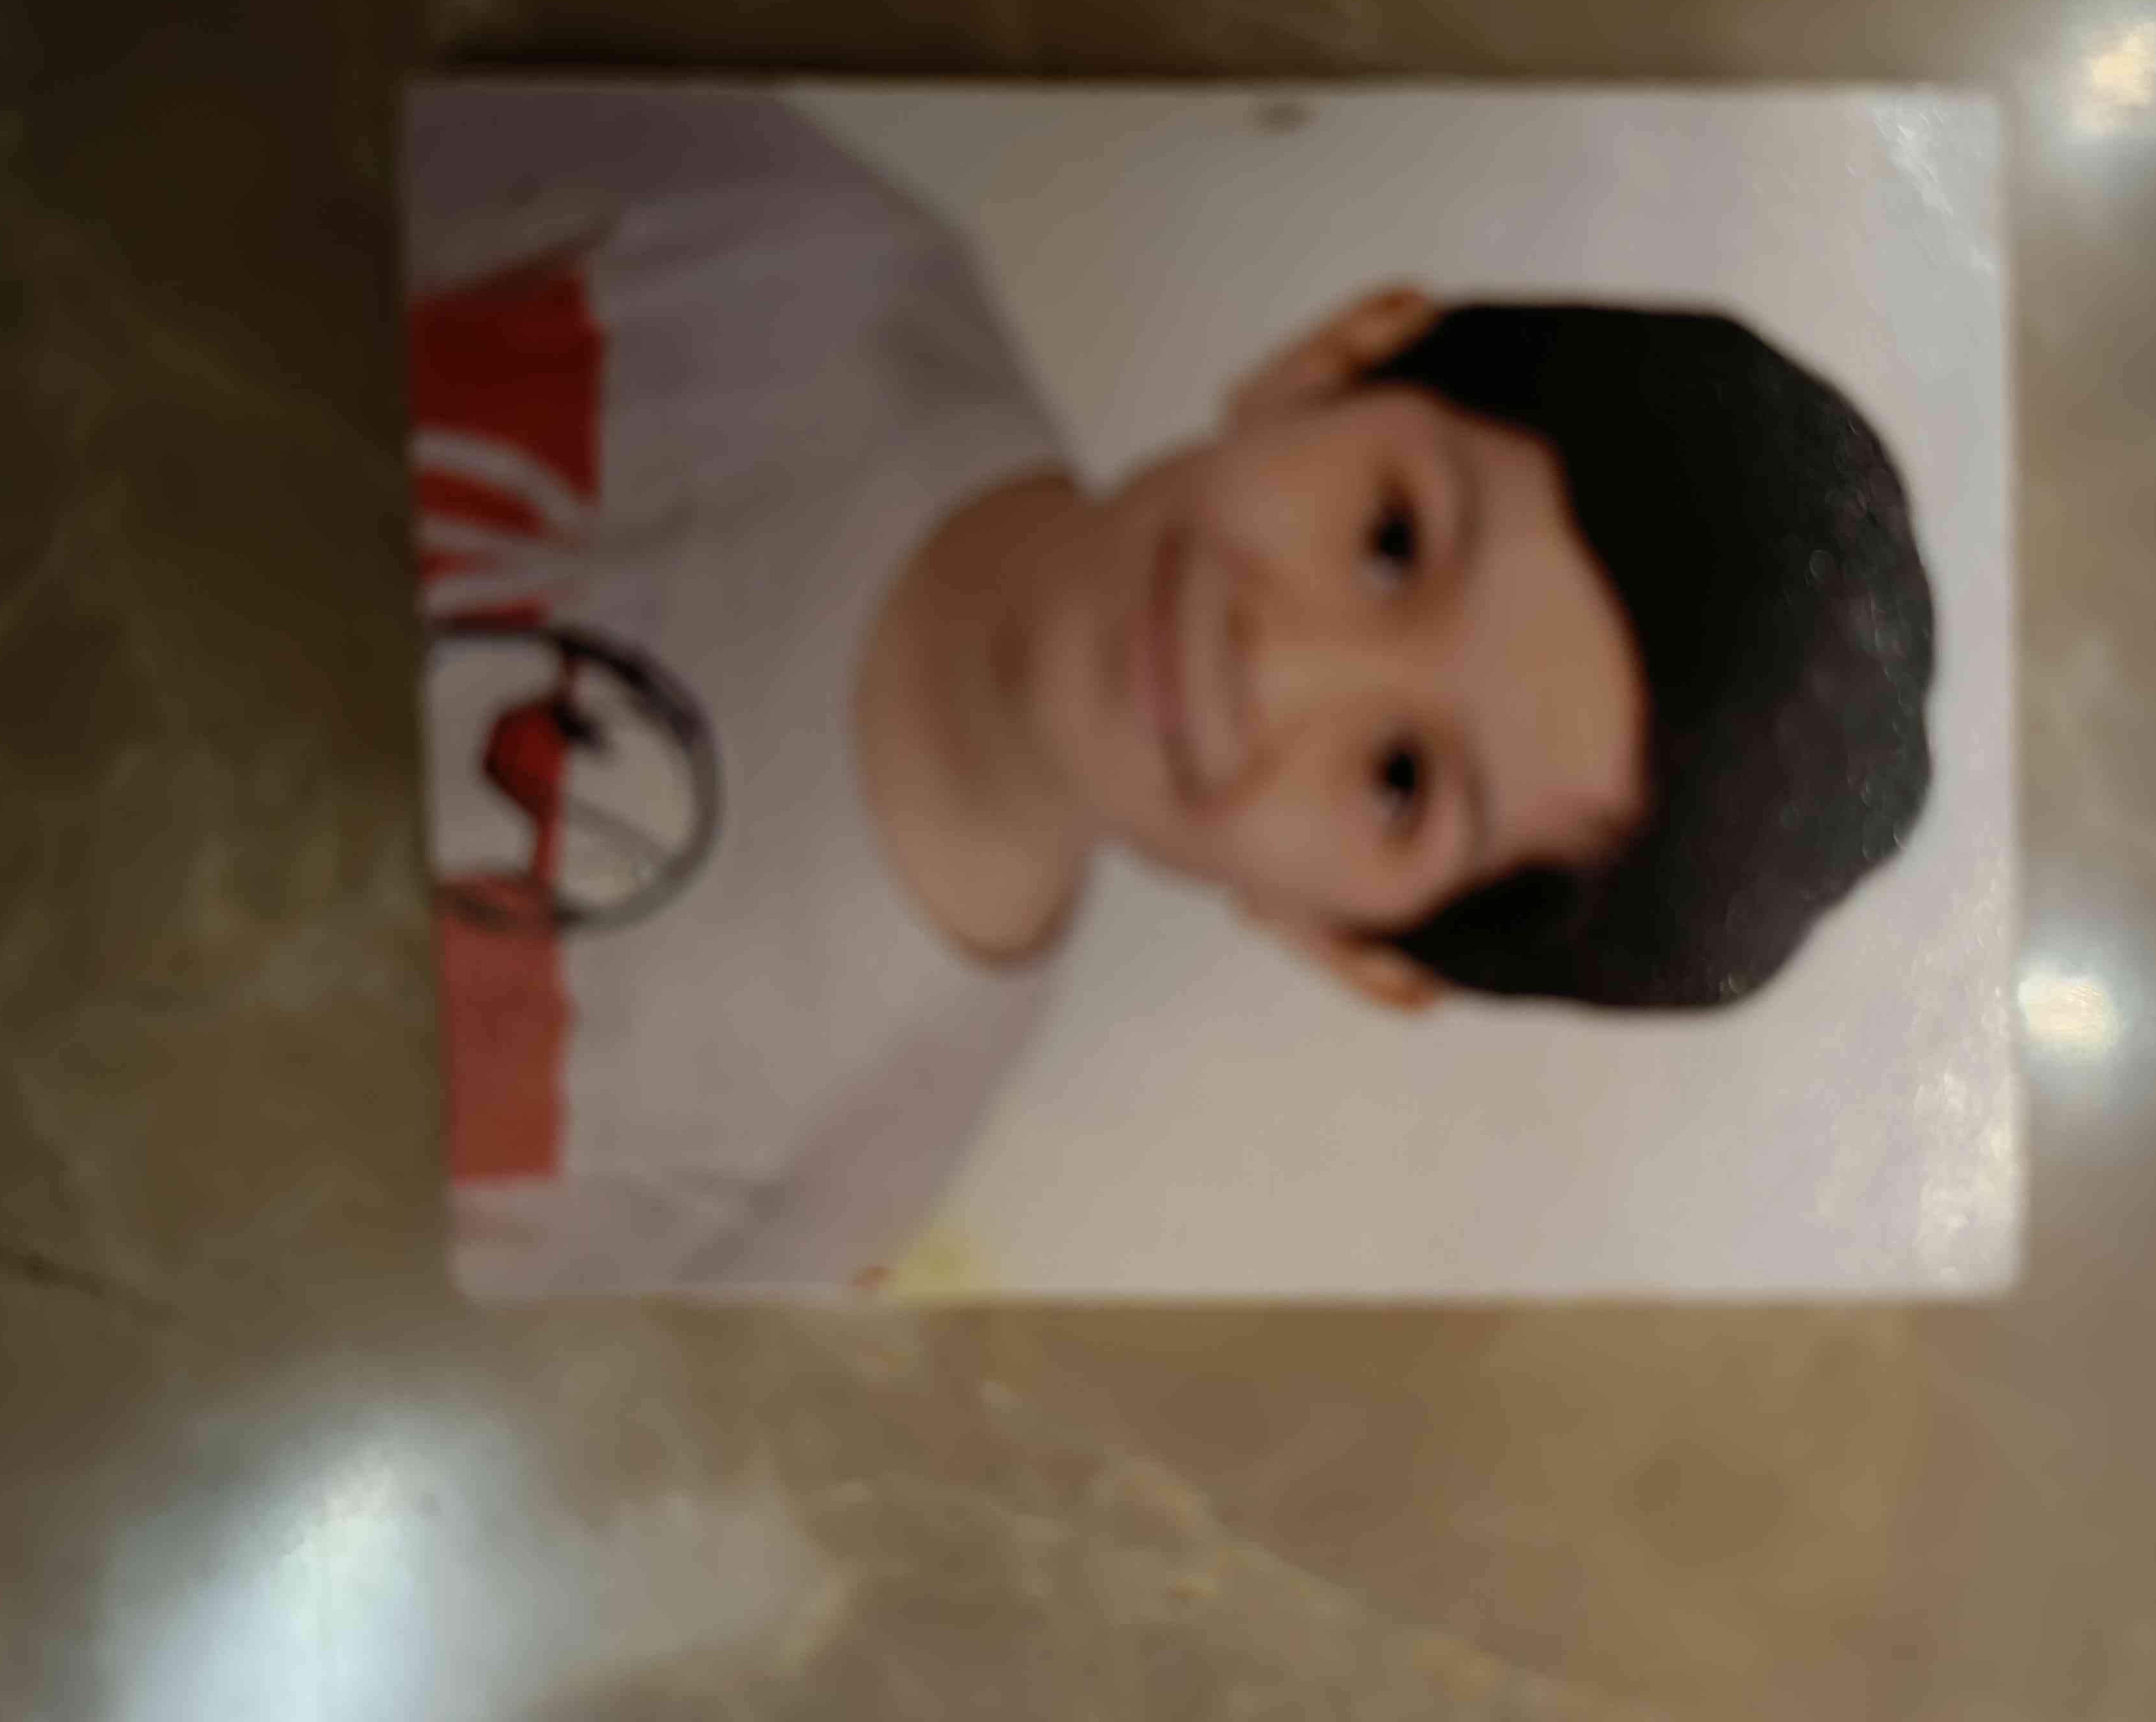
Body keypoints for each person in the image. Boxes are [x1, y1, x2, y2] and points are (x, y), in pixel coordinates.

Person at [405, 81, 1934, 1297]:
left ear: (1355, 948)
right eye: (1390, 539)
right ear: (1338, 357)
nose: (1275, 661)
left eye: (1397, 779)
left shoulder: (833, 1176)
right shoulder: (776, 239)